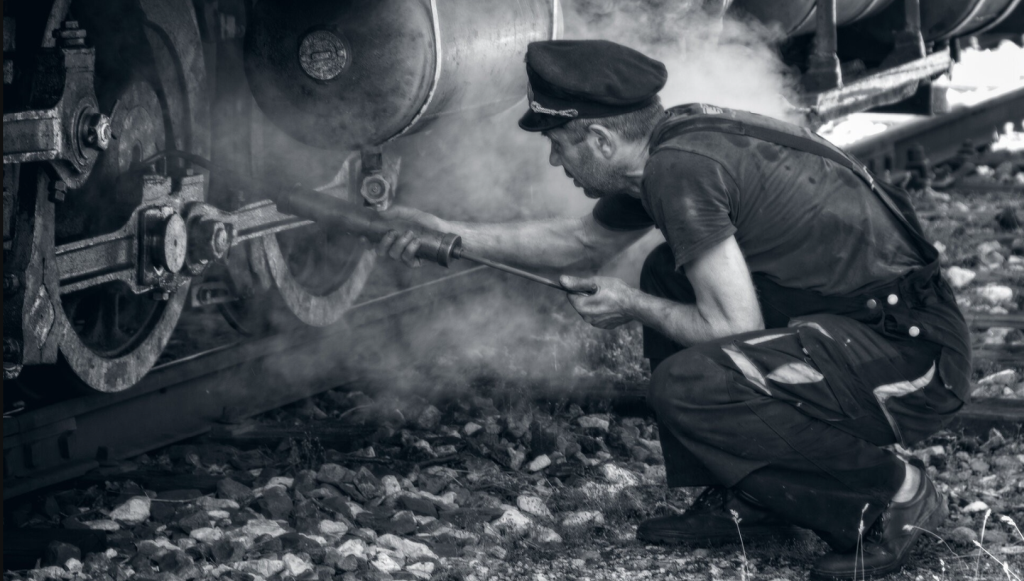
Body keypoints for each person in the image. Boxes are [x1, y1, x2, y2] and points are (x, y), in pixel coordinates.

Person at [378, 39, 970, 580]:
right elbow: (581, 243)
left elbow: (734, 328)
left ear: (602, 141)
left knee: (689, 385)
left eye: (560, 147)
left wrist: (632, 304)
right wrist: (448, 233)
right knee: (669, 271)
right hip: (868, 330)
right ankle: (751, 500)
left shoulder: (678, 172)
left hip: (911, 356)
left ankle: (895, 495)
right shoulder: (670, 144)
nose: (557, 164)